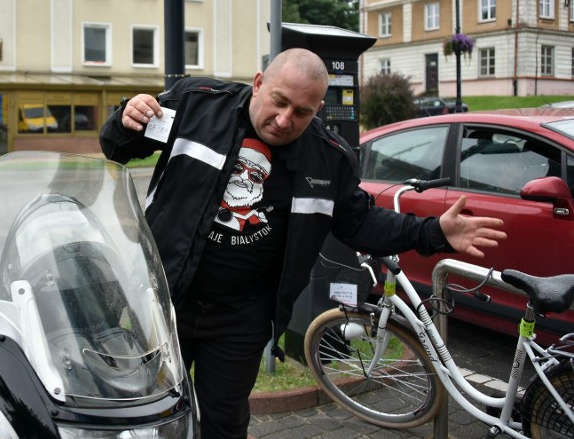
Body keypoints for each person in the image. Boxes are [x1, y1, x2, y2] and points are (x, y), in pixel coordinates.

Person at [98, 48, 506, 439]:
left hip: (240, 320)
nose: (284, 119)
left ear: (317, 111)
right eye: (279, 101)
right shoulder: (196, 104)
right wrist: (126, 117)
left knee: (224, 421)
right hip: (165, 301)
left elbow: (361, 223)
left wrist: (435, 233)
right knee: (146, 408)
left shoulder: (326, 160)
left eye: (302, 112)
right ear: (259, 84)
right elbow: (117, 146)